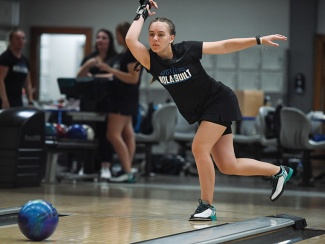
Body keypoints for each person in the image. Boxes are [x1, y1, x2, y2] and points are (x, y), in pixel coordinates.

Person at [125, 0, 294, 221]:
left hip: (219, 101)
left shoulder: (187, 50)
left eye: (161, 34)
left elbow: (224, 46)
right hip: (203, 112)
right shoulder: (149, 60)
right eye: (151, 35)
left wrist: (258, 40)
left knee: (198, 147)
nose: (155, 39)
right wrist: (142, 13)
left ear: (172, 37)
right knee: (228, 165)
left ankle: (207, 206)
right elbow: (130, 39)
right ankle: (278, 171)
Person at [96, 22, 142, 183]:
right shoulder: (124, 54)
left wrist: (110, 70)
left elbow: (133, 78)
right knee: (128, 134)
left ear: (123, 35)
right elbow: (118, 75)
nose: (115, 38)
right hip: (121, 98)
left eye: (117, 34)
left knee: (112, 134)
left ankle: (127, 171)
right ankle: (126, 169)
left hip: (123, 99)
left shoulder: (133, 54)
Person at [77, 29, 118, 180]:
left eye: (104, 38)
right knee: (87, 133)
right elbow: (79, 75)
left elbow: (113, 75)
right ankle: (85, 166)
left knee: (105, 134)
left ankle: (105, 167)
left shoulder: (115, 58)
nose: (100, 40)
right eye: (98, 37)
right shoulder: (90, 58)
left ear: (110, 41)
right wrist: (88, 65)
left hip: (107, 101)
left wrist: (94, 75)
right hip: (88, 101)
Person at [0, 28, 34, 109]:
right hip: (5, 98)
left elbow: (27, 83)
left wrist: (30, 100)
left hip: (18, 100)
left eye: (23, 38)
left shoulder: (24, 60)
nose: (21, 41)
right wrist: (4, 100)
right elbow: (0, 79)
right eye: (17, 38)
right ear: (11, 41)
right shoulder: (5, 58)